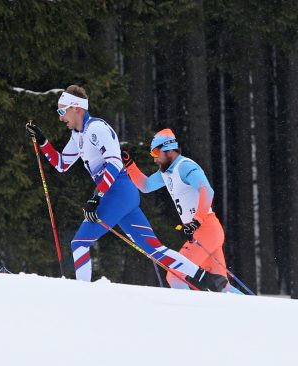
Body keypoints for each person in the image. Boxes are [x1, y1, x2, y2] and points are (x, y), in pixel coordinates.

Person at [25, 84, 228, 291]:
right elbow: (61, 164)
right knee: (154, 249)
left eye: (62, 111)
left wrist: (97, 197)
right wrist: (43, 141)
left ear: (76, 108)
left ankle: (81, 295)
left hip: (118, 192)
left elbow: (114, 164)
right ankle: (206, 277)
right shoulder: (78, 135)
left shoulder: (96, 129)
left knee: (79, 243)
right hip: (121, 195)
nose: (60, 117)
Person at [122, 129, 241, 293]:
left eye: (156, 152)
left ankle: (187, 316)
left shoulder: (184, 166)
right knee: (221, 288)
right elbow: (146, 186)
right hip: (203, 231)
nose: (154, 158)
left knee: (174, 275)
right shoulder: (166, 173)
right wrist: (130, 165)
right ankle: (259, 311)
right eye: (152, 153)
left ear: (169, 150)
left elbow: (207, 190)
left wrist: (196, 221)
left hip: (206, 228)